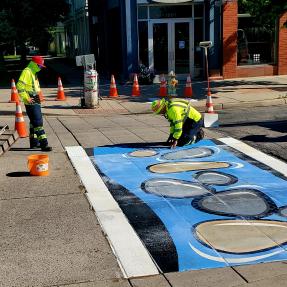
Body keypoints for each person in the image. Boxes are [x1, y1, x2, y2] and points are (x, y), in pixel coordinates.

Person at [16, 56, 52, 151]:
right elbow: (19, 86)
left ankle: (34, 143)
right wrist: (26, 98)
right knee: (38, 121)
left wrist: (40, 96)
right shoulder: (27, 71)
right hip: (30, 98)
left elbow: (35, 86)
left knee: (33, 122)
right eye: (40, 66)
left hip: (34, 97)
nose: (40, 68)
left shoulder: (33, 72)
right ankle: (44, 144)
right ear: (35, 64)